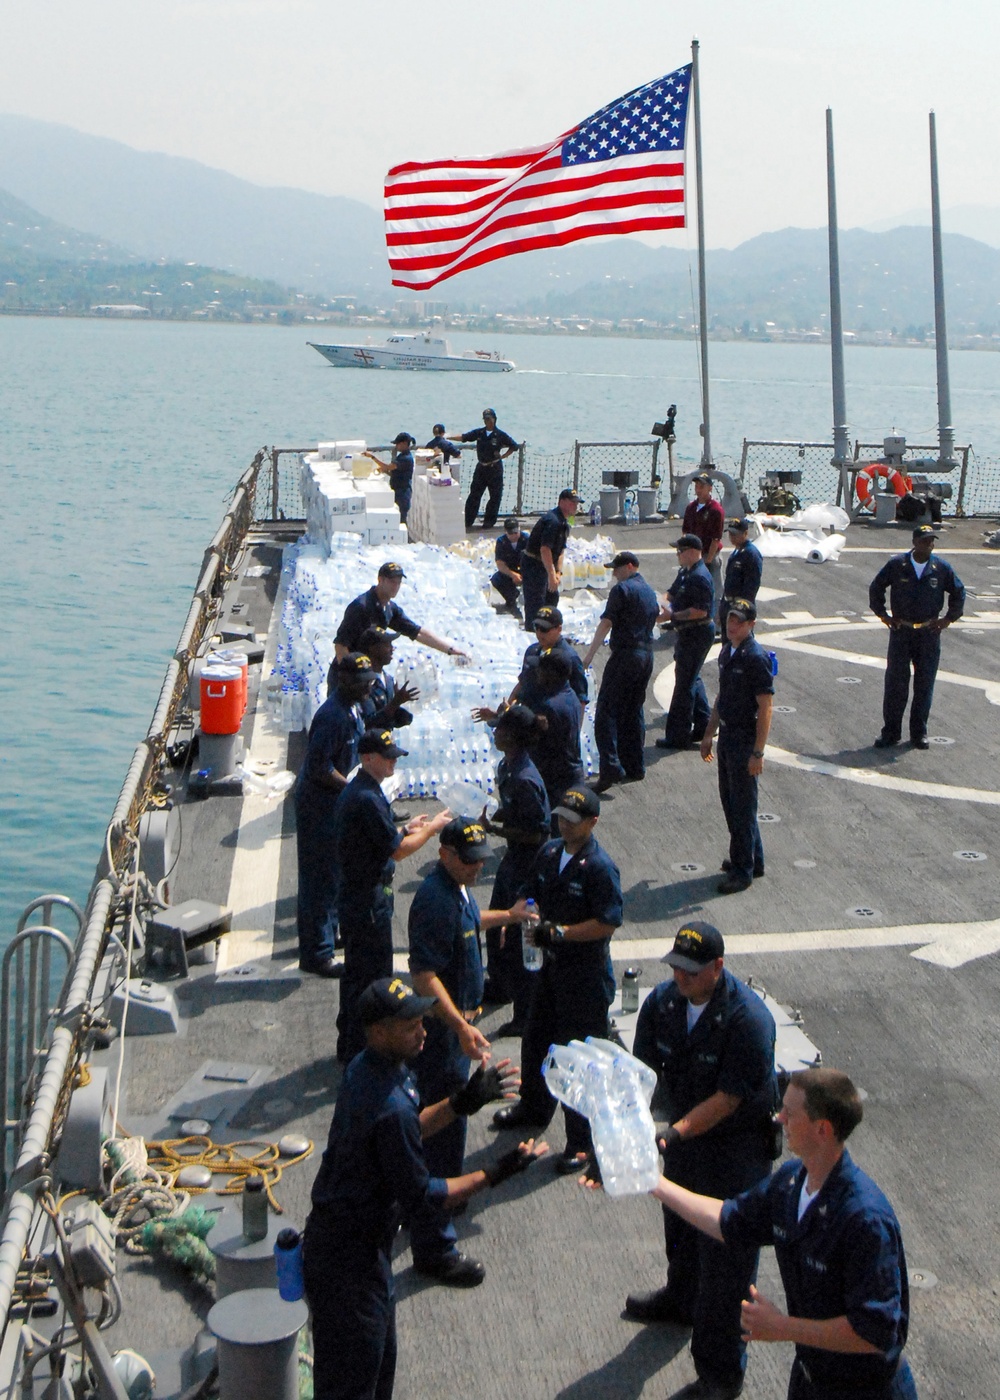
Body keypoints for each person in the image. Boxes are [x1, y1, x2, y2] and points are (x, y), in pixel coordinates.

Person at [303, 976, 547, 1400]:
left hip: (357, 1253)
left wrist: (462, 1103)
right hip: (349, 1268)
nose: (423, 1029)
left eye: (421, 1018)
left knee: (378, 1370)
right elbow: (426, 1196)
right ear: (379, 1032)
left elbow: (404, 1132)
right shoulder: (388, 1101)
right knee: (353, 1383)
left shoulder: (372, 1067)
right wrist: (498, 1171)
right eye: (410, 1023)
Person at [648, 1067, 917, 1400]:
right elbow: (728, 1221)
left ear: (822, 1129)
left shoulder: (864, 1220)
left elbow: (873, 1332)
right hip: (810, 1383)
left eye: (790, 1112)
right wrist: (654, 1183)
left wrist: (782, 1328)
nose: (778, 1118)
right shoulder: (792, 1182)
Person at [624, 921, 779, 1400]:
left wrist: (672, 1134)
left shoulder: (748, 1020)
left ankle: (720, 1375)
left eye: (692, 972)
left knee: (727, 1268)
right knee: (682, 1233)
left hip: (736, 1151)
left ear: (718, 967)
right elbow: (643, 1074)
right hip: (685, 1143)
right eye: (676, 969)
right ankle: (679, 1298)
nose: (681, 979)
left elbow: (728, 1100)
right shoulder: (662, 1004)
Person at [406, 817, 536, 1283]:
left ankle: (443, 1199)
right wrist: (461, 1026)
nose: (476, 870)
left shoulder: (455, 888)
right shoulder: (433, 901)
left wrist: (510, 915)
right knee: (442, 1127)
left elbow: (471, 919)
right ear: (444, 854)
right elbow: (423, 976)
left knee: (453, 1123)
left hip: (458, 1030)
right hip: (444, 1035)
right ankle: (435, 1232)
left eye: (480, 861)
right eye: (468, 861)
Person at [493, 785, 623, 1176]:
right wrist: (520, 914)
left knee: (578, 1059)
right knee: (537, 1041)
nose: (564, 825)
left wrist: (562, 932)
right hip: (547, 969)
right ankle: (533, 1108)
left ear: (592, 823)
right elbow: (529, 890)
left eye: (573, 820)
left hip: (583, 977)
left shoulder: (600, 867)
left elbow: (607, 922)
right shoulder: (550, 853)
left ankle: (581, 1141)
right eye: (561, 818)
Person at [334, 730, 453, 1063]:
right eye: (387, 756)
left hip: (358, 894)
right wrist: (431, 829)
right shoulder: (368, 798)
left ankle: (349, 1042)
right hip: (367, 901)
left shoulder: (362, 791)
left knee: (355, 973)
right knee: (371, 978)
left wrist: (404, 827)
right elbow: (399, 852)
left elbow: (383, 838)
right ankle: (363, 1050)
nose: (392, 762)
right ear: (368, 757)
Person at [294, 653, 375, 978]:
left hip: (337, 802)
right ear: (344, 681)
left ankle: (330, 934)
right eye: (362, 681)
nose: (369, 685)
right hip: (319, 806)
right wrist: (352, 788)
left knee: (337, 872)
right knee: (320, 879)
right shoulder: (333, 716)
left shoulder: (354, 708)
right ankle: (316, 953)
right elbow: (319, 766)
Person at [480, 705, 551, 1029]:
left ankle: (525, 1013)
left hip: (529, 863)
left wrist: (496, 831)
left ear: (514, 737)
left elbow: (538, 831)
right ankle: (500, 985)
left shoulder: (524, 779)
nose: (494, 733)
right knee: (496, 925)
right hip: (514, 858)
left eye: (499, 729)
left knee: (524, 939)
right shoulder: (507, 768)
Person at [699, 599, 774, 894]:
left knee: (742, 808)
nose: (732, 626)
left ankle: (742, 870)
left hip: (744, 739)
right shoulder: (727, 651)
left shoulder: (755, 657)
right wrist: (709, 733)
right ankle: (753, 860)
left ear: (751, 625)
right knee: (732, 804)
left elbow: (766, 707)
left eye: (739, 622)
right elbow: (722, 696)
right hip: (728, 736)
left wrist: (758, 752)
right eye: (730, 620)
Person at [869, 524, 965, 750]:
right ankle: (891, 732)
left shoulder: (941, 568)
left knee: (924, 684)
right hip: (902, 632)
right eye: (924, 541)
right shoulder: (897, 565)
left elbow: (958, 592)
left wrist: (948, 619)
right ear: (914, 542)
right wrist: (883, 615)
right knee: (896, 684)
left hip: (928, 633)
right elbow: (876, 588)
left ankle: (919, 733)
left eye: (932, 541)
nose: (929, 545)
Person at [582, 550, 662, 793]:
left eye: (617, 569)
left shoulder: (622, 590)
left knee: (606, 711)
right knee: (633, 710)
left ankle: (610, 767)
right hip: (646, 656)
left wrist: (589, 656)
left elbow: (607, 623)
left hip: (626, 655)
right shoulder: (649, 590)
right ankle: (635, 766)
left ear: (629, 566)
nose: (614, 574)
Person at [334, 561, 470, 662]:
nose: (396, 586)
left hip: (369, 669)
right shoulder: (361, 607)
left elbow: (418, 633)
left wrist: (450, 650)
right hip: (349, 675)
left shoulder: (389, 608)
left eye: (399, 582)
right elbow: (341, 645)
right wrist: (351, 676)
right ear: (380, 580)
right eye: (392, 582)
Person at [657, 534, 716, 751]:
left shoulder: (699, 576)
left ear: (692, 551)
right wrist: (659, 603)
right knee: (692, 677)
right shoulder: (686, 572)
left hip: (697, 632)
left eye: (680, 551)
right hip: (688, 633)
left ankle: (677, 735)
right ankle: (703, 722)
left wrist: (671, 617)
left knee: (683, 686)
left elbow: (701, 611)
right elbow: (671, 594)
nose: (677, 555)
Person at [525, 648, 585, 826]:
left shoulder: (550, 706)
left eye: (541, 669)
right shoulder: (569, 695)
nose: (537, 672)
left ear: (551, 674)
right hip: (569, 774)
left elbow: (532, 740)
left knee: (555, 833)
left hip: (555, 780)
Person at [520, 488, 581, 630]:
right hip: (534, 564)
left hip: (547, 565)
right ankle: (533, 632)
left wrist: (558, 572)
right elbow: (545, 549)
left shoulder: (564, 522)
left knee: (552, 598)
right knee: (535, 603)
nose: (576, 506)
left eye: (576, 503)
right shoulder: (553, 521)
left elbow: (560, 550)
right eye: (573, 503)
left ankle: (547, 631)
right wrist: (551, 575)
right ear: (562, 502)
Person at [509, 606, 589, 711]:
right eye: (536, 627)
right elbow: (523, 682)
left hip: (553, 719)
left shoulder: (570, 658)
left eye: (544, 629)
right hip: (529, 717)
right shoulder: (532, 651)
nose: (539, 633)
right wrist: (509, 705)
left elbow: (580, 700)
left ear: (559, 629)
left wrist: (575, 727)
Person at [461, 408, 519, 530]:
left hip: (495, 468)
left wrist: (503, 456)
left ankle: (489, 522)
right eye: (486, 419)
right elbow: (464, 437)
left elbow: (514, 446)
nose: (488, 421)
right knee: (474, 495)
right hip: (481, 467)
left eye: (490, 419)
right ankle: (467, 520)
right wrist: (447, 437)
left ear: (494, 419)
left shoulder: (500, 435)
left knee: (495, 496)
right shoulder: (480, 433)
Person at [683, 472, 726, 625]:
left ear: (710, 488)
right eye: (696, 486)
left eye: (702, 486)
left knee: (715, 589)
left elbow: (716, 539)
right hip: (693, 554)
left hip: (709, 553)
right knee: (688, 587)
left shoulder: (715, 510)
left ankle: (715, 623)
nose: (698, 490)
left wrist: (707, 561)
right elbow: (686, 532)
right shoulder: (691, 508)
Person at [357, 626, 419, 730]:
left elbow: (388, 717)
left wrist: (403, 715)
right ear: (373, 648)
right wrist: (395, 703)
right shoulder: (362, 683)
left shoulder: (389, 680)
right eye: (387, 645)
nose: (392, 649)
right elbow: (368, 724)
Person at [720, 518, 763, 631]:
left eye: (735, 534)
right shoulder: (736, 552)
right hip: (728, 603)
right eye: (730, 533)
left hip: (740, 607)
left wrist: (743, 610)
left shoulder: (751, 554)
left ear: (745, 533)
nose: (732, 537)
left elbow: (752, 586)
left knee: (742, 641)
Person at [364, 433, 416, 526]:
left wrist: (373, 457)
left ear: (404, 443)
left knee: (400, 521)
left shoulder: (406, 459)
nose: (396, 446)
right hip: (397, 491)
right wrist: (384, 471)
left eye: (397, 444)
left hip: (402, 494)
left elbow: (388, 467)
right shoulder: (401, 456)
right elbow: (393, 472)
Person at [492, 516, 529, 617]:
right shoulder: (501, 542)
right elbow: (500, 563)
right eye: (510, 533)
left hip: (525, 569)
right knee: (496, 579)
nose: (514, 535)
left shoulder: (526, 539)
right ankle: (511, 599)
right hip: (510, 570)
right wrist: (513, 575)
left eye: (516, 532)